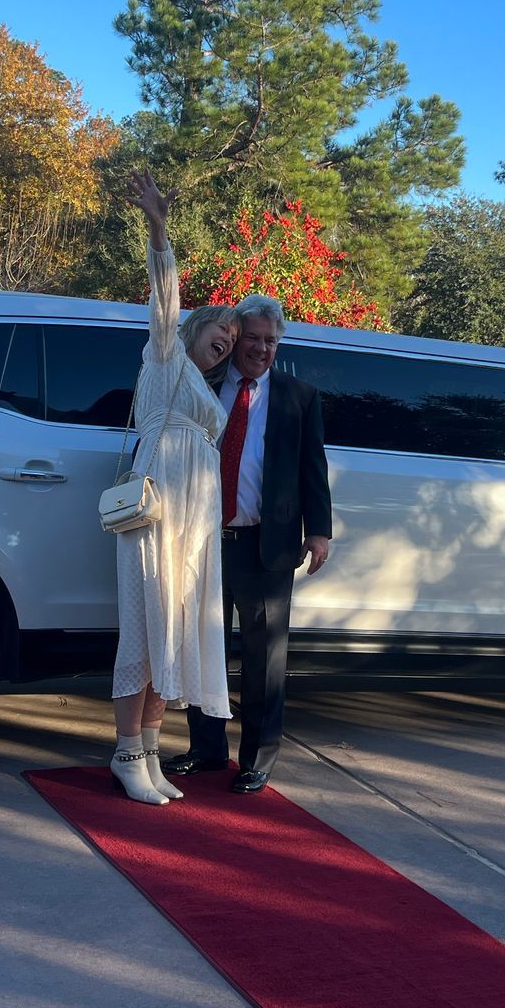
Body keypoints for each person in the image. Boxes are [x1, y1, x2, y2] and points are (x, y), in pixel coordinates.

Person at [108, 171, 240, 805]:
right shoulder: (165, 360)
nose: (229, 343)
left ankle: (151, 753)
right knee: (145, 631)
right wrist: (159, 229)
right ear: (197, 325)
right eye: (223, 330)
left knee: (176, 639)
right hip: (155, 516)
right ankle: (125, 753)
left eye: (236, 342)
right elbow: (165, 296)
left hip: (193, 527)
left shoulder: (207, 390)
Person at [165, 294, 332, 794]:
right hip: (203, 541)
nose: (261, 348)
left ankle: (257, 760)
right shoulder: (204, 384)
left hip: (267, 545)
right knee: (204, 650)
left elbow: (312, 470)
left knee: (264, 660)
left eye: (270, 341)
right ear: (236, 339)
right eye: (253, 338)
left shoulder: (299, 397)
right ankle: (207, 750)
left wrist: (318, 531)